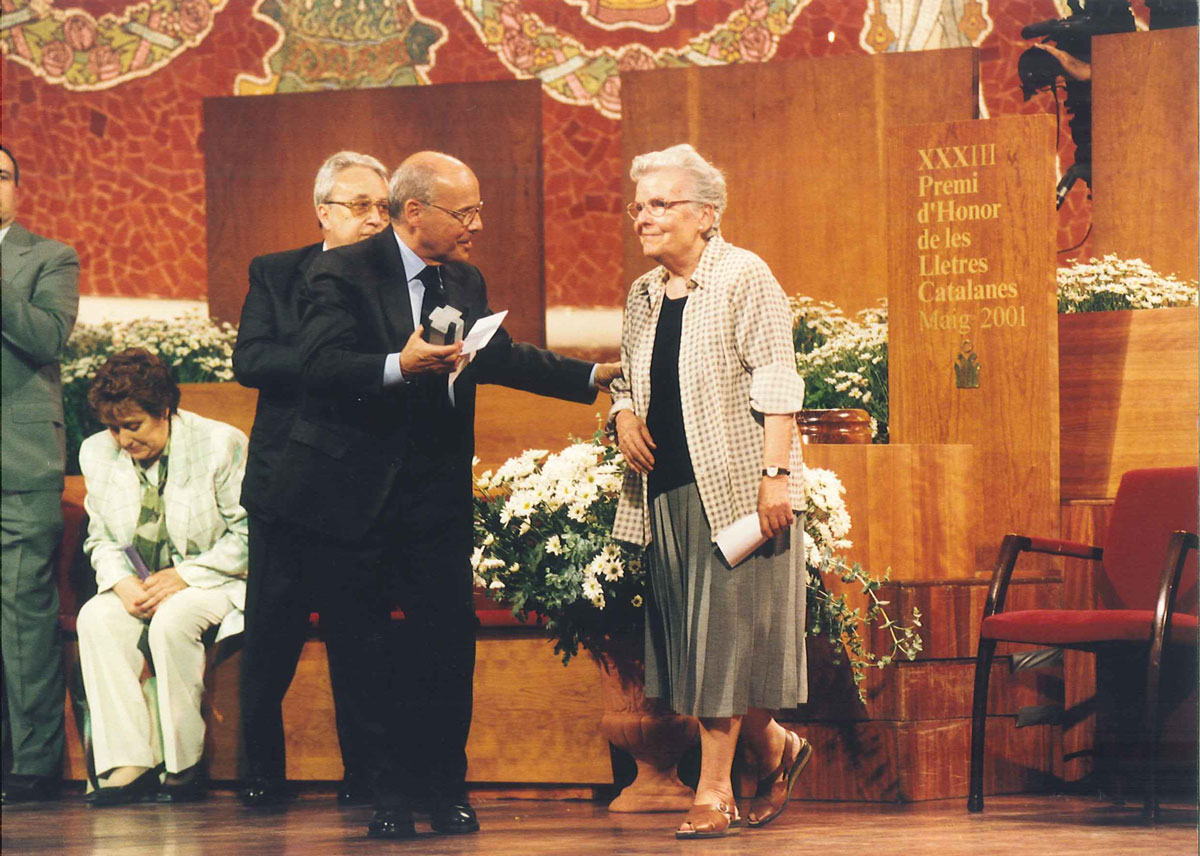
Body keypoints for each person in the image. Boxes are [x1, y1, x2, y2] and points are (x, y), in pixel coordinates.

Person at [264, 151, 620, 839]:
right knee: (366, 651)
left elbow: (497, 354)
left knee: (448, 644)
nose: (477, 225)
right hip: (355, 497)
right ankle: (388, 798)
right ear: (415, 211)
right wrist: (398, 365)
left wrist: (589, 377)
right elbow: (317, 365)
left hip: (435, 497)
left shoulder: (462, 279)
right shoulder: (341, 271)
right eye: (466, 213)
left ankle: (446, 789)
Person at [610, 144, 811, 839]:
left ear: (706, 214)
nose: (644, 217)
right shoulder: (643, 294)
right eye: (639, 206)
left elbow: (778, 379)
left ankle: (715, 790)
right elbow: (628, 376)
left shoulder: (743, 275)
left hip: (737, 492)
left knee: (721, 643)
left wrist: (776, 477)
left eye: (660, 204)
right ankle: (776, 747)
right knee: (697, 648)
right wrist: (622, 415)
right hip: (665, 492)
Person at [234, 151, 391, 808]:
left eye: (383, 207)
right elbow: (251, 360)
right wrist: (333, 362)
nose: (374, 218)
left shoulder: (398, 280)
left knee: (361, 643)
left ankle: (367, 778)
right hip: (285, 487)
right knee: (270, 641)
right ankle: (261, 774)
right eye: (359, 206)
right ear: (323, 211)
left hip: (363, 488)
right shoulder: (276, 273)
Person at [74, 349, 248, 806]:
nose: (122, 440)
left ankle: (183, 764)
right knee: (96, 617)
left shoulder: (219, 444)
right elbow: (100, 538)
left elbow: (250, 536)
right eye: (114, 428)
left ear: (164, 410)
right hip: (143, 583)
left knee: (173, 620)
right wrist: (120, 582)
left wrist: (186, 575)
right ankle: (128, 764)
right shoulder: (97, 451)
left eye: (133, 426)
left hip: (216, 578)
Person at [0, 144, 79, 804]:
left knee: (25, 613)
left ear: (17, 189)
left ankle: (35, 764)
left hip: (19, 459)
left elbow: (47, 338)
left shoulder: (49, 257)